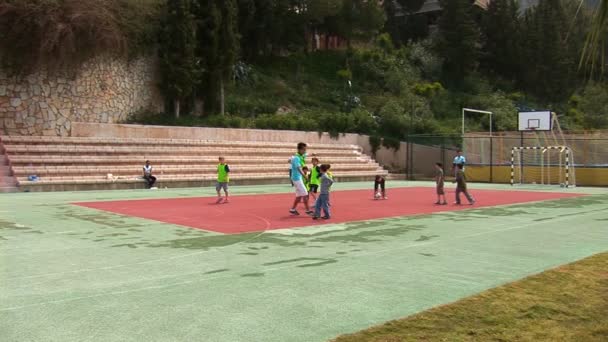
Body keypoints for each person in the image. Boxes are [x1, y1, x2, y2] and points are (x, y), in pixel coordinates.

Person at [290, 142, 313, 216]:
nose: (305, 151)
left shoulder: (300, 156)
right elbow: (299, 168)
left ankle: (293, 209)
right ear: (299, 149)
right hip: (297, 178)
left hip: (297, 178)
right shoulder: (296, 158)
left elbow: (306, 154)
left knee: (299, 195)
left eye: (305, 149)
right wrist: (305, 176)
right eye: (304, 149)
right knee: (305, 194)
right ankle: (308, 210)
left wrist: (313, 154)